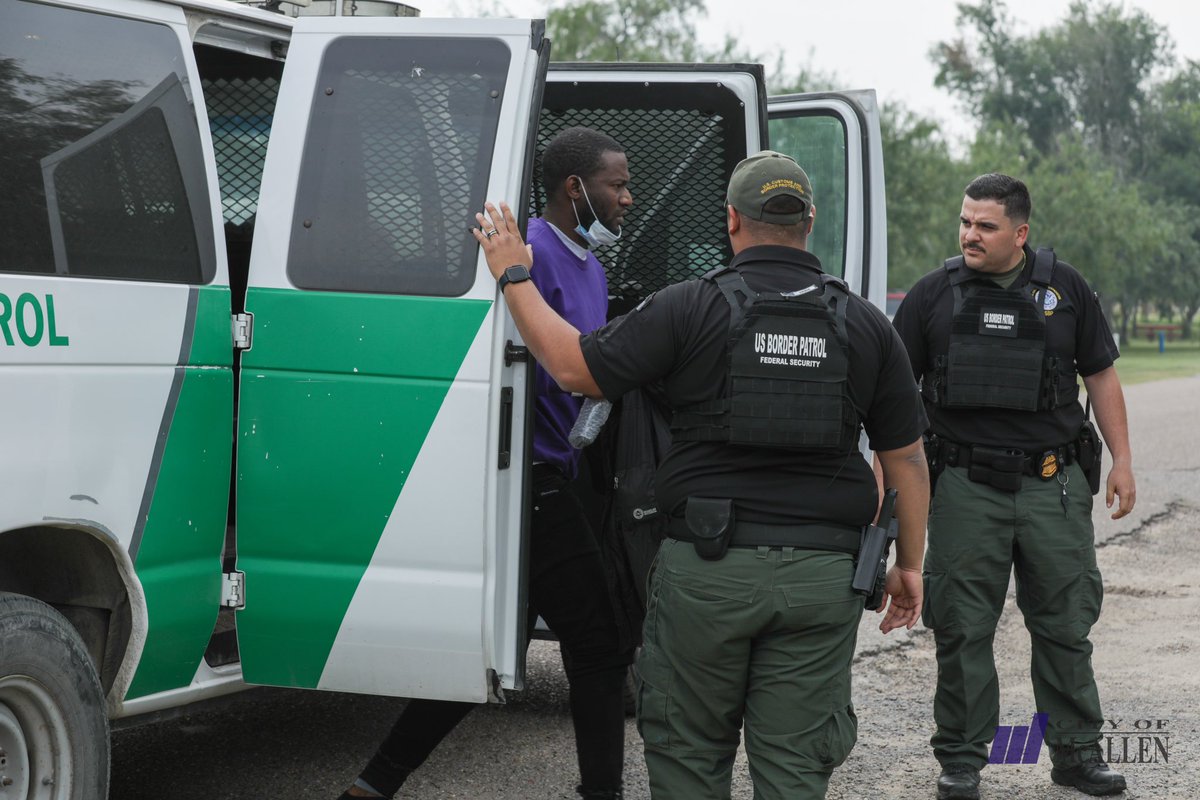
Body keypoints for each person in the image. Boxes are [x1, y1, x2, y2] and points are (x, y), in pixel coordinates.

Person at [472, 150, 930, 799]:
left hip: (707, 572)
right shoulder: (865, 325)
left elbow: (574, 368)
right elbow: (906, 458)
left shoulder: (688, 307)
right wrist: (909, 563)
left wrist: (514, 273)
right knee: (796, 771)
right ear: (811, 220)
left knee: (688, 761)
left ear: (732, 221)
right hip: (823, 581)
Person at [338, 126, 634, 800]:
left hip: (561, 472)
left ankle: (371, 786)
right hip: (520, 479)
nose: (628, 197)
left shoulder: (589, 262)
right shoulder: (520, 250)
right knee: (599, 644)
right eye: (617, 184)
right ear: (574, 187)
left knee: (485, 648)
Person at [891, 173, 1137, 800]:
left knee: (1064, 622)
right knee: (963, 626)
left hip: (1052, 485)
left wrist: (1122, 461)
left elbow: (1101, 375)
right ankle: (963, 761)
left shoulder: (1066, 289)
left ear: (1020, 233)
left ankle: (1076, 754)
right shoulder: (932, 296)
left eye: (986, 226)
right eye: (965, 222)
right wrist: (888, 493)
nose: (970, 235)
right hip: (965, 486)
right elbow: (892, 403)